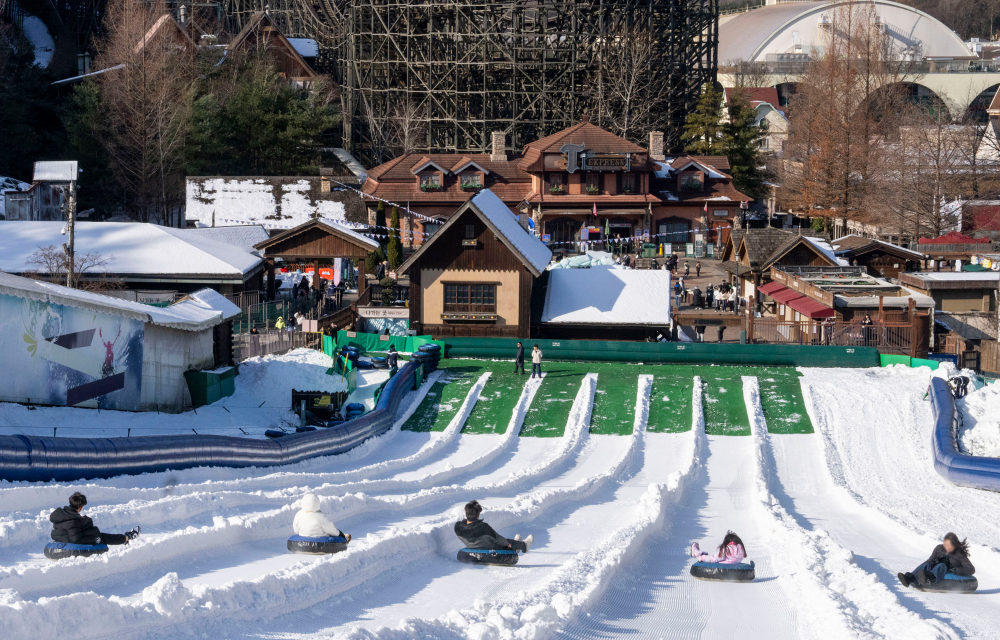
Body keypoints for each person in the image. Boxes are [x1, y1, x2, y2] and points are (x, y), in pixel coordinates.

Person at [50, 492, 139, 547]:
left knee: (95, 532)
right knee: (102, 537)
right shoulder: (72, 521)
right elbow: (76, 539)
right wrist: (95, 540)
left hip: (62, 536)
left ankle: (124, 538)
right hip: (70, 539)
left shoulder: (63, 513)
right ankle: (127, 537)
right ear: (80, 507)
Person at [898, 532, 974, 588]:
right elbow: (930, 560)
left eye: (949, 545)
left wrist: (955, 570)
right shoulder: (939, 548)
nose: (946, 547)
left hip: (947, 570)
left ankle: (929, 579)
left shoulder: (960, 554)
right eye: (945, 544)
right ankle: (909, 578)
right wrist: (923, 567)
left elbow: (971, 569)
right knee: (927, 564)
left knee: (942, 565)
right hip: (935, 567)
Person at [455, 500, 532, 553]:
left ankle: (516, 546)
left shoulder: (458, 528)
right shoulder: (483, 527)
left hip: (472, 548)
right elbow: (498, 539)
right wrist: (507, 543)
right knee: (506, 542)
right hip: (490, 550)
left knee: (505, 542)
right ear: (478, 516)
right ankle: (524, 545)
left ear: (466, 514)